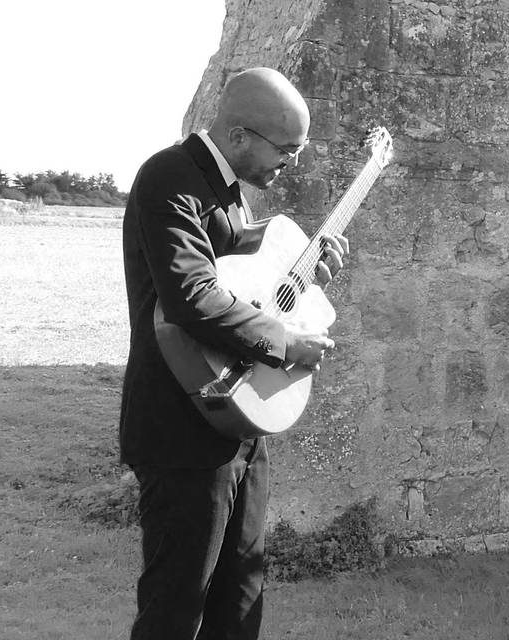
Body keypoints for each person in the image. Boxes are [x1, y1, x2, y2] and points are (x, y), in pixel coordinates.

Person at [120, 67, 349, 639]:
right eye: (287, 148)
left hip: (238, 422)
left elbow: (246, 293)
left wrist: (305, 279)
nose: (292, 162)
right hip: (180, 428)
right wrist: (286, 345)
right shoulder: (169, 177)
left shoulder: (232, 197)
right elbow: (191, 297)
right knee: (176, 610)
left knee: (240, 604)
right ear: (240, 134)